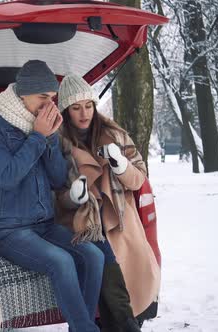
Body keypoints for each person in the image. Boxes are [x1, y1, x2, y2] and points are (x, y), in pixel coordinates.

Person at [0, 60, 104, 332]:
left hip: (42, 224)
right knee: (62, 261)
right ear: (23, 94)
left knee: (94, 255)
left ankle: (82, 327)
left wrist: (51, 139)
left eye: (53, 99)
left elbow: (57, 179)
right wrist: (37, 137)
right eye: (43, 98)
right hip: (6, 228)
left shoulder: (41, 124)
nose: (49, 106)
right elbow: (7, 176)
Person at [55, 74, 161, 332]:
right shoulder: (58, 145)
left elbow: (138, 180)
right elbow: (53, 196)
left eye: (88, 106)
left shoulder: (115, 134)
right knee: (105, 294)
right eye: (76, 108)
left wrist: (121, 165)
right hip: (83, 225)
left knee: (127, 292)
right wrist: (73, 197)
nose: (84, 113)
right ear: (66, 111)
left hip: (121, 225)